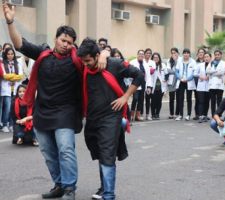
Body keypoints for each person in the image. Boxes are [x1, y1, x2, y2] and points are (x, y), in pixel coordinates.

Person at [2, 3, 109, 199]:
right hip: (42, 112)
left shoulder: (77, 59)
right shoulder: (43, 54)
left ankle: (69, 188)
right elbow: (19, 44)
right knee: (48, 151)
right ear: (55, 39)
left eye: (69, 41)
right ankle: (59, 184)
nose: (66, 44)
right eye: (63, 40)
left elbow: (99, 53)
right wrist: (10, 21)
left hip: (66, 112)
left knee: (65, 149)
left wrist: (104, 52)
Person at [77, 37, 144, 200]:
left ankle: (109, 195)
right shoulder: (87, 66)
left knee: (107, 154)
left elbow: (139, 75)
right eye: (83, 61)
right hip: (93, 118)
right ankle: (104, 188)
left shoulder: (114, 64)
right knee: (100, 153)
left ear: (96, 55)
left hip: (111, 116)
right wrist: (104, 54)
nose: (85, 64)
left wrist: (125, 97)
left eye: (87, 61)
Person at [1, 47, 23, 132]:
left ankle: (11, 124)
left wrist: (10, 76)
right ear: (6, 55)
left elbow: (20, 76)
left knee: (14, 107)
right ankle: (5, 125)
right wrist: (14, 75)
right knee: (7, 108)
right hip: (6, 89)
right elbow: (4, 76)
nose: (10, 56)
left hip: (15, 89)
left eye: (12, 54)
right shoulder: (3, 63)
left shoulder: (17, 63)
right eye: (8, 54)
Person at [129, 50, 152, 121]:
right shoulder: (132, 62)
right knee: (135, 98)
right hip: (135, 82)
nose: (141, 55)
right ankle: (131, 114)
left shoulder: (146, 64)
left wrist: (149, 86)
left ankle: (137, 115)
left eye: (142, 54)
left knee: (141, 99)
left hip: (143, 83)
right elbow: (129, 73)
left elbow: (148, 76)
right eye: (140, 54)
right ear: (137, 54)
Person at [175, 48, 196, 121]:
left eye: (187, 53)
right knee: (180, 99)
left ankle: (188, 115)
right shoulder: (179, 61)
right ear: (183, 54)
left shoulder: (193, 62)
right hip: (181, 81)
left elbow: (194, 73)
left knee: (189, 99)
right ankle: (180, 115)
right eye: (185, 53)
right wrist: (180, 78)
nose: (186, 54)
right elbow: (176, 71)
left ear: (189, 54)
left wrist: (187, 79)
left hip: (189, 82)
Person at [206, 49, 225, 118]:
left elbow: (221, 72)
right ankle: (213, 115)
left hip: (219, 85)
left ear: (220, 55)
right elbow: (207, 71)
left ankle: (218, 115)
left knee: (219, 101)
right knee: (212, 101)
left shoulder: (223, 63)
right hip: (212, 85)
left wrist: (212, 72)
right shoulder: (211, 63)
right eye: (215, 55)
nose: (217, 56)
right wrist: (216, 71)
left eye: (218, 55)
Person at [194, 52, 211, 123]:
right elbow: (194, 73)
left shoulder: (212, 65)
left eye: (207, 57)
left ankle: (205, 115)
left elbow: (215, 73)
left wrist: (209, 77)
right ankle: (200, 116)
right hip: (200, 86)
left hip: (209, 86)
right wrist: (199, 75)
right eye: (205, 57)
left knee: (207, 102)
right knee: (201, 101)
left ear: (210, 58)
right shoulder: (200, 65)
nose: (206, 58)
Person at [165, 47, 181, 119]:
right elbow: (168, 70)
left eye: (175, 53)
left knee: (178, 98)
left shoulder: (181, 60)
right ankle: (171, 113)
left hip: (178, 80)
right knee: (171, 98)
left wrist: (176, 61)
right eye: (172, 53)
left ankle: (177, 113)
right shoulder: (169, 60)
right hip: (171, 80)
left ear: (178, 53)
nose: (173, 54)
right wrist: (176, 71)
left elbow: (180, 69)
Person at [150, 53, 167, 120]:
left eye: (157, 57)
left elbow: (166, 74)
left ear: (159, 58)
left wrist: (165, 79)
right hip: (153, 85)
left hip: (160, 86)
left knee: (159, 101)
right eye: (154, 57)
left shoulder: (163, 65)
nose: (156, 59)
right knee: (153, 101)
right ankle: (153, 114)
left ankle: (157, 114)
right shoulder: (151, 65)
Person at [142, 48, 155, 120]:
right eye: (147, 53)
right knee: (141, 99)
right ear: (144, 54)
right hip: (142, 82)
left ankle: (147, 114)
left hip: (149, 83)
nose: (148, 54)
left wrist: (147, 71)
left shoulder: (152, 62)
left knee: (148, 99)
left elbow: (152, 71)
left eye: (149, 53)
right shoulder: (142, 61)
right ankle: (140, 114)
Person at [193, 48, 205, 120]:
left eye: (202, 52)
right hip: (196, 82)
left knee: (204, 99)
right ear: (197, 54)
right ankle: (197, 114)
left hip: (205, 83)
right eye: (199, 52)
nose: (200, 53)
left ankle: (203, 114)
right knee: (197, 99)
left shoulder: (207, 62)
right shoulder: (195, 62)